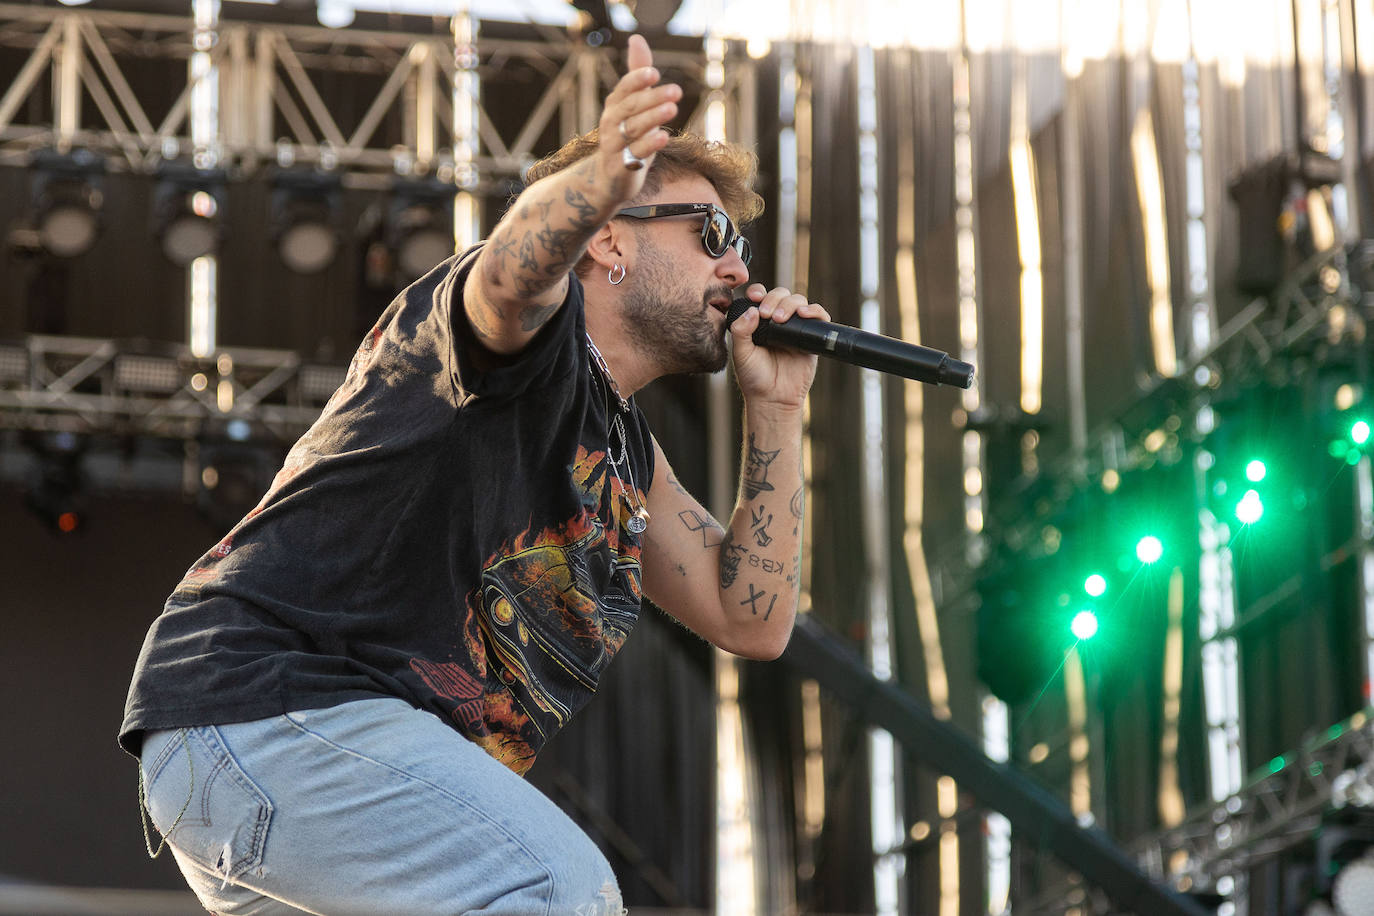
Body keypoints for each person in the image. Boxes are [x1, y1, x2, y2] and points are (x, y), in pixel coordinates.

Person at [121, 33, 828, 915]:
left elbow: (748, 620)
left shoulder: (626, 455)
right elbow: (509, 274)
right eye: (711, 233)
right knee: (558, 891)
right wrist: (596, 175)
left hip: (298, 765)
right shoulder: (527, 339)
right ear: (608, 239)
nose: (736, 266)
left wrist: (780, 409)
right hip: (274, 710)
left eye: (742, 248)